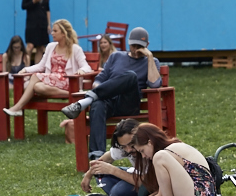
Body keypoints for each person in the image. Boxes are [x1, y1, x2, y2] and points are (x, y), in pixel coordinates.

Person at [61, 26, 162, 160]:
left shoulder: (152, 62)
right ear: (128, 43)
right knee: (97, 105)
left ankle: (86, 100)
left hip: (129, 103)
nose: (137, 50)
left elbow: (155, 84)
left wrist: (149, 57)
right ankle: (97, 157)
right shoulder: (116, 56)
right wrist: (101, 89)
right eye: (134, 46)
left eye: (140, 46)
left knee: (131, 76)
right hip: (108, 101)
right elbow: (99, 80)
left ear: (147, 45)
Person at [113, 123, 217, 196]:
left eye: (142, 151)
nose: (143, 156)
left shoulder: (165, 154)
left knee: (159, 156)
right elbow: (162, 193)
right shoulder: (170, 153)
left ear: (150, 143)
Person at [3, 19, 91, 117]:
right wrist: (26, 69)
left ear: (63, 33)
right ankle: (69, 94)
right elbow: (41, 66)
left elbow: (87, 66)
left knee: (35, 77)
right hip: (54, 81)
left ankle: (18, 107)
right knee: (37, 87)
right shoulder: (50, 46)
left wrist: (81, 70)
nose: (52, 33)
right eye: (52, 30)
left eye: (55, 31)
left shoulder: (75, 48)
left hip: (69, 80)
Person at [80, 119, 147, 196]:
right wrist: (89, 175)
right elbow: (107, 158)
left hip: (149, 184)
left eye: (131, 144)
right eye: (123, 146)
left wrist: (113, 170)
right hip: (137, 175)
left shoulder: (148, 148)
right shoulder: (125, 146)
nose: (128, 149)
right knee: (101, 171)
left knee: (119, 191)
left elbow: (146, 182)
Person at [22, 0, 50, 65]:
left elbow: (47, 10)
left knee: (40, 47)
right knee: (30, 46)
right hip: (32, 23)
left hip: (42, 24)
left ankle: (36, 70)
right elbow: (23, 6)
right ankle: (25, 68)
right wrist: (33, 1)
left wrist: (49, 24)